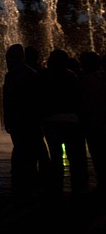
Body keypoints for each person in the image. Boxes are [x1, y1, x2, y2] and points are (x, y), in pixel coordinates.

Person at [39, 49, 88, 195]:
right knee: (75, 156)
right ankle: (78, 188)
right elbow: (79, 98)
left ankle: (56, 187)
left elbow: (40, 98)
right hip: (71, 120)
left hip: (51, 121)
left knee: (56, 156)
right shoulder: (71, 76)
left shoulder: (44, 76)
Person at [3, 43, 49, 195]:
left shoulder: (11, 75)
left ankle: (21, 178)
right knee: (37, 147)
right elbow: (40, 98)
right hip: (32, 119)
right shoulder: (32, 73)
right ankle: (42, 177)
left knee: (21, 149)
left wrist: (7, 120)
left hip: (19, 119)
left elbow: (8, 100)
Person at [78, 51, 105, 192]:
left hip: (93, 123)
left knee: (97, 153)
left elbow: (85, 103)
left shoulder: (87, 81)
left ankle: (101, 180)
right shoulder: (102, 78)